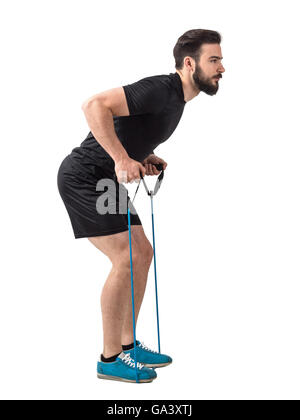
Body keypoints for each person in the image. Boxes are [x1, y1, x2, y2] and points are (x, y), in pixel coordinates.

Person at [57, 29, 225, 383]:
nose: (221, 67)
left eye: (221, 60)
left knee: (141, 254)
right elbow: (94, 106)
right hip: (86, 176)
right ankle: (109, 358)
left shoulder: (177, 100)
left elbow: (125, 127)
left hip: (106, 178)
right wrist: (121, 158)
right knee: (126, 258)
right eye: (214, 60)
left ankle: (128, 346)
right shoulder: (160, 89)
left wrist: (141, 156)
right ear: (189, 63)